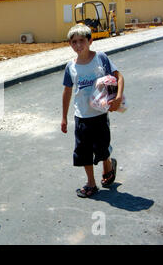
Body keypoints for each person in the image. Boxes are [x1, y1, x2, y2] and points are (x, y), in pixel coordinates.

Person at [61, 24, 124, 198]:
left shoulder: (101, 58)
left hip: (100, 115)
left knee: (102, 148)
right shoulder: (70, 67)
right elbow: (67, 91)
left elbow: (119, 76)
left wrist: (118, 97)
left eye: (82, 40)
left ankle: (108, 166)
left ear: (90, 41)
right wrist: (64, 118)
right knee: (83, 152)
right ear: (70, 44)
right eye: (74, 42)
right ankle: (91, 183)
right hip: (81, 116)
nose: (78, 45)